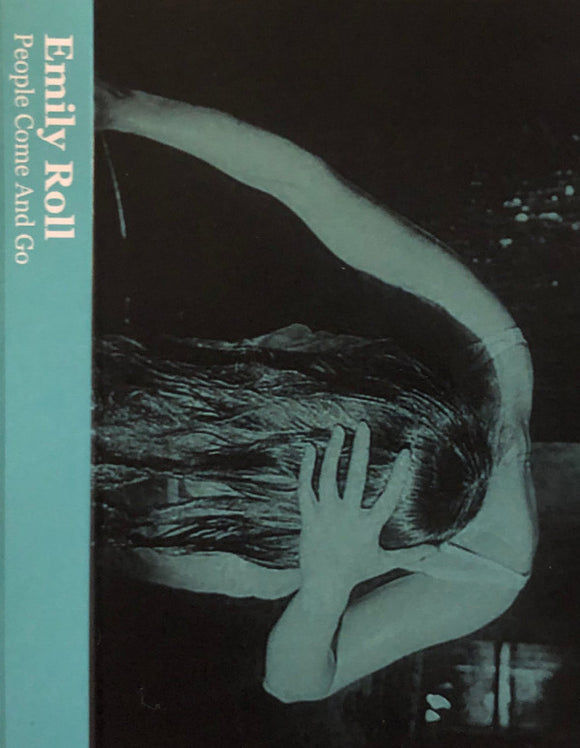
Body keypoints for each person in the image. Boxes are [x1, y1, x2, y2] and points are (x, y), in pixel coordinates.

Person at [94, 82, 537, 703]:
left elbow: (295, 684)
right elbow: (305, 184)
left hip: (249, 533)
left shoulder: (489, 567)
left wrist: (329, 581)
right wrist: (122, 107)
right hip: (219, 402)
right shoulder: (481, 344)